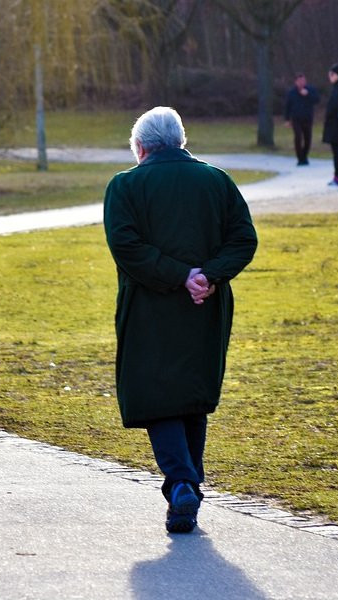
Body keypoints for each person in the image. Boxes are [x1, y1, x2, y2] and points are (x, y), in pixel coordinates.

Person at [103, 107, 258, 534]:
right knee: (191, 392)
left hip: (150, 307)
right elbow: (244, 239)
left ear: (141, 147)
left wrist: (178, 275)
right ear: (181, 141)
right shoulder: (217, 181)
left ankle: (182, 483)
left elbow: (126, 246)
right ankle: (186, 486)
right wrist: (206, 275)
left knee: (158, 395)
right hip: (204, 305)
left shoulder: (125, 186)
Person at [284, 72, 319, 166]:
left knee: (308, 139)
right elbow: (287, 106)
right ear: (296, 82)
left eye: (303, 81)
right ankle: (300, 158)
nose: (301, 83)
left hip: (307, 118)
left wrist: (307, 95)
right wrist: (287, 119)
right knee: (298, 137)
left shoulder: (310, 90)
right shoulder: (291, 92)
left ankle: (304, 156)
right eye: (299, 81)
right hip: (296, 119)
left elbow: (317, 100)